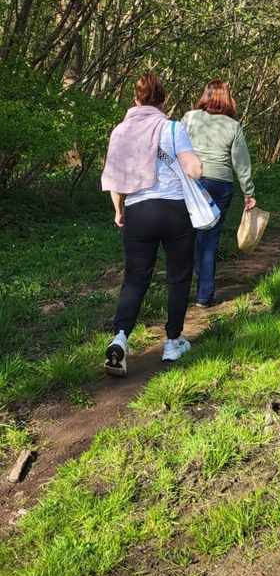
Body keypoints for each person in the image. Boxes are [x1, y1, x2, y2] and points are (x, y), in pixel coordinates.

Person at [102, 72, 203, 377]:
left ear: (136, 99)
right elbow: (194, 169)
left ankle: (120, 337)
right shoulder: (172, 128)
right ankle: (172, 342)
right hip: (175, 212)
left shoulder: (120, 132)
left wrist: (119, 211)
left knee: (134, 279)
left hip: (137, 212)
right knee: (178, 277)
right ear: (163, 100)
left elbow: (115, 182)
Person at [182, 80, 256, 307]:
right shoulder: (233, 125)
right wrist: (248, 192)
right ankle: (204, 296)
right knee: (209, 239)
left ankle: (182, 289)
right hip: (219, 184)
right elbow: (241, 162)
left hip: (190, 182)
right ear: (227, 98)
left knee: (186, 235)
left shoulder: (190, 118)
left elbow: (176, 147)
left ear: (205, 95)